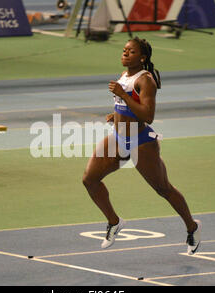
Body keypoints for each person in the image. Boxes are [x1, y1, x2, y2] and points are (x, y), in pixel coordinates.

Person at [82, 37, 201, 255]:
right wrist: (117, 114)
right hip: (118, 139)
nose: (126, 53)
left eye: (132, 51)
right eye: (125, 50)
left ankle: (192, 226)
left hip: (141, 142)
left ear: (142, 57)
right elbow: (129, 106)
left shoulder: (145, 80)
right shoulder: (125, 75)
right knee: (89, 179)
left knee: (163, 188)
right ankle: (114, 222)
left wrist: (122, 96)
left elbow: (148, 115)